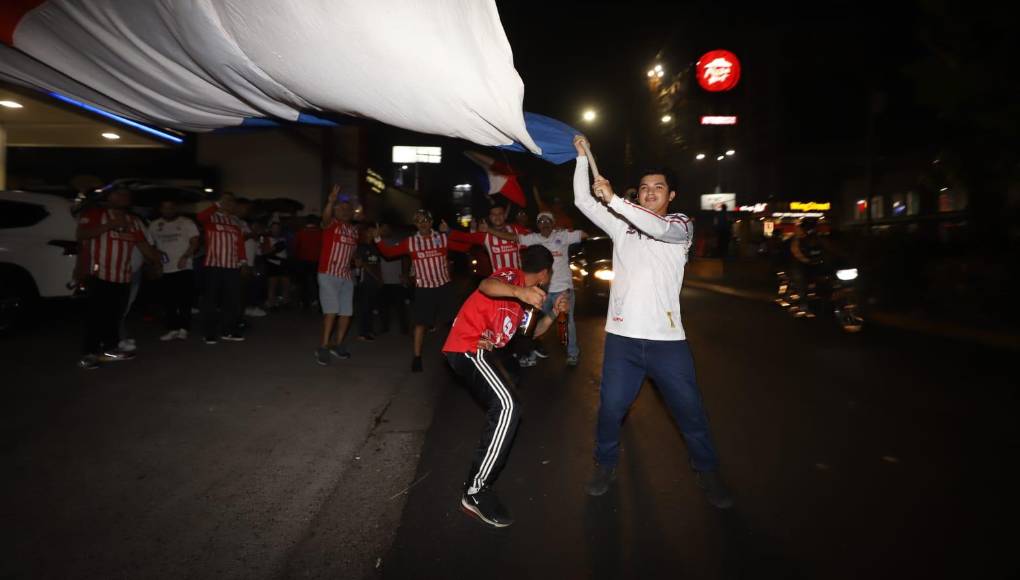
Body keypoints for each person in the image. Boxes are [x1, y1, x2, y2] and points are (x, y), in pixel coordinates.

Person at [572, 135, 733, 508]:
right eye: (644, 188)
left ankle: (707, 471)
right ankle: (605, 464)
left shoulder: (681, 226)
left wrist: (614, 200)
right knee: (611, 409)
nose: (648, 193)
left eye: (658, 188)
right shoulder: (621, 227)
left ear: (671, 195)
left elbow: (658, 229)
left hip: (667, 343)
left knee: (690, 412)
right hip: (622, 340)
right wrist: (583, 160)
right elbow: (582, 200)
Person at [443, 245, 568, 527]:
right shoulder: (510, 278)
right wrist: (519, 292)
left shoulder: (523, 303)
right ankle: (475, 491)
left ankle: (478, 486)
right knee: (509, 406)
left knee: (509, 406)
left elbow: (530, 335)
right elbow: (486, 285)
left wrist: (551, 314)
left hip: (478, 351)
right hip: (465, 346)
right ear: (545, 273)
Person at [484, 211, 587, 366]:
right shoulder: (533, 238)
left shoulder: (563, 235)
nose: (544, 223)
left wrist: (565, 229)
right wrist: (489, 230)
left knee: (566, 323)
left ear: (553, 223)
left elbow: (584, 234)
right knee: (532, 323)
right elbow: (513, 238)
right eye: (541, 221)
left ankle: (572, 353)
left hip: (563, 289)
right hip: (541, 290)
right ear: (537, 225)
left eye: (548, 221)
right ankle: (530, 353)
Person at [75, 187, 161, 369]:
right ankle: (89, 354)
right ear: (109, 197)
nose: (124, 197)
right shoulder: (96, 214)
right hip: (98, 274)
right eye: (119, 194)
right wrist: (110, 225)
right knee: (96, 316)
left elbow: (143, 245)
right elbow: (81, 235)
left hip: (123, 276)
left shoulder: (133, 221)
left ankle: (110, 350)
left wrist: (156, 261)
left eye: (126, 195)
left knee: (115, 316)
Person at [449, 205, 538, 367]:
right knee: (501, 326)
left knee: (523, 323)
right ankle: (506, 359)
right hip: (498, 289)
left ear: (505, 215)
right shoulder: (485, 236)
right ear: (489, 217)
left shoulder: (515, 230)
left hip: (519, 288)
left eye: (500, 214)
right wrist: (448, 231)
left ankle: (524, 351)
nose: (497, 217)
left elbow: (532, 237)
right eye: (493, 214)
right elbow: (465, 238)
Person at [375, 209, 461, 373]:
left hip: (444, 286)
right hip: (424, 288)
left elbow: (464, 247)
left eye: (426, 220)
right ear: (415, 224)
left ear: (431, 222)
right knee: (420, 323)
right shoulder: (411, 242)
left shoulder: (443, 238)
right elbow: (389, 252)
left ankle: (457, 353)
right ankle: (417, 357)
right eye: (419, 221)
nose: (423, 223)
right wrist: (377, 238)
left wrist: (454, 231)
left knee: (453, 322)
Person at [315, 186, 359, 365]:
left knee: (347, 312)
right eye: (341, 209)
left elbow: (352, 252)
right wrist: (330, 201)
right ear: (335, 211)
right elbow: (324, 218)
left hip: (346, 275)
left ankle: (338, 344)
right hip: (328, 273)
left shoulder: (354, 231)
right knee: (331, 311)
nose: (345, 211)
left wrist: (356, 260)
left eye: (348, 209)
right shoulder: (331, 224)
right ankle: (323, 347)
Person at [197, 192, 248, 344]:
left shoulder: (235, 221)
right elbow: (200, 217)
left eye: (231, 201)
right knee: (211, 301)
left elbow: (240, 244)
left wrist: (243, 263)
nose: (229, 203)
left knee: (232, 300)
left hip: (232, 266)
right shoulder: (211, 217)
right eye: (226, 200)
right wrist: (217, 204)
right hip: (213, 265)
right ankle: (209, 333)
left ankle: (229, 330)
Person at [149, 200, 200, 341]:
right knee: (169, 300)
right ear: (161, 209)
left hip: (184, 266)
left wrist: (185, 257)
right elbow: (151, 245)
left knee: (184, 299)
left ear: (175, 208)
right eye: (165, 208)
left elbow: (195, 242)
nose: (168, 210)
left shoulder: (186, 222)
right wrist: (156, 261)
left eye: (171, 207)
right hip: (165, 267)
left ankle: (184, 328)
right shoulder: (154, 225)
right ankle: (172, 328)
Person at [378, 224, 410, 335]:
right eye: (382, 229)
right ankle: (384, 327)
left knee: (400, 306)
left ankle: (404, 329)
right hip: (383, 279)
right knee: (383, 306)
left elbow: (405, 258)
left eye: (387, 228)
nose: (385, 231)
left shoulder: (398, 242)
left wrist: (405, 273)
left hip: (397, 279)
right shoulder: (377, 243)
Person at [354, 226, 384, 341]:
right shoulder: (361, 247)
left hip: (374, 282)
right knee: (364, 307)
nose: (373, 233)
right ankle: (362, 332)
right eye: (370, 231)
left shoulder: (375, 247)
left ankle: (369, 330)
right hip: (365, 281)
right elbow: (362, 264)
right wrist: (377, 277)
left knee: (371, 307)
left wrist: (380, 278)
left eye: (374, 231)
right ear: (366, 232)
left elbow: (377, 264)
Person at [294, 215, 323, 309]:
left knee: (304, 283)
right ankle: (319, 302)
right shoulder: (320, 232)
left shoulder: (301, 232)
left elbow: (296, 246)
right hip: (317, 260)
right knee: (318, 282)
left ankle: (305, 302)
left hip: (303, 260)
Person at [263, 221, 291, 310]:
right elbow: (265, 252)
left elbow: (284, 249)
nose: (276, 230)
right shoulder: (266, 239)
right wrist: (274, 249)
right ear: (271, 229)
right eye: (274, 228)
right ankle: (271, 303)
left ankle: (285, 302)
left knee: (285, 283)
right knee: (272, 284)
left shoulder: (283, 239)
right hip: (272, 264)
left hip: (283, 264)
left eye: (277, 228)